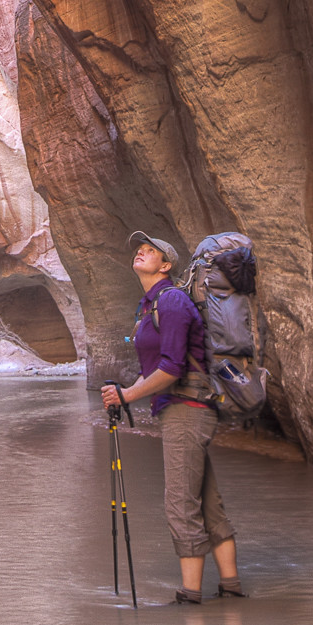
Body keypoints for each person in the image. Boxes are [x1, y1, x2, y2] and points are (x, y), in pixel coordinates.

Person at [101, 231, 246, 604]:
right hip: (182, 410)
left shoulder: (173, 302)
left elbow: (171, 367)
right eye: (139, 248)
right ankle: (230, 588)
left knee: (180, 502)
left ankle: (189, 597)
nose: (142, 251)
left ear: (166, 266)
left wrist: (129, 395)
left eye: (152, 250)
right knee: (205, 499)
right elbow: (153, 366)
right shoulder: (151, 306)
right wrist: (124, 393)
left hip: (188, 410)